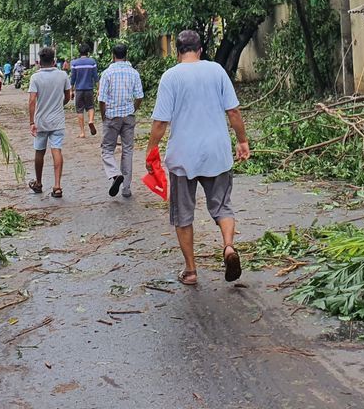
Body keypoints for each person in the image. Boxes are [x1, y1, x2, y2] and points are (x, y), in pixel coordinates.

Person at [147, 29, 250, 286]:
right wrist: (242, 141)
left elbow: (160, 122)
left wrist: (151, 151)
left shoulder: (170, 77)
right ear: (201, 50)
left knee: (183, 215)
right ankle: (228, 247)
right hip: (216, 152)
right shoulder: (216, 71)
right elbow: (234, 112)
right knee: (222, 206)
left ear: (177, 52)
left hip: (183, 156)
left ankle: (191, 271)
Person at [97, 43, 143, 198]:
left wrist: (104, 116)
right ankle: (126, 189)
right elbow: (139, 96)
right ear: (126, 55)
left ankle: (115, 174)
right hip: (128, 116)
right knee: (128, 150)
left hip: (112, 116)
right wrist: (133, 109)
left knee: (107, 150)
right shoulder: (134, 73)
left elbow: (101, 99)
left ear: (113, 55)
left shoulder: (107, 73)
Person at [28, 47, 70, 198]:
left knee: (39, 151)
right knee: (56, 149)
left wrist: (31, 122)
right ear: (54, 61)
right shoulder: (63, 75)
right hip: (57, 120)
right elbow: (68, 96)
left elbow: (32, 100)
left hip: (41, 121)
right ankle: (57, 186)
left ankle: (38, 183)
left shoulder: (35, 78)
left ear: (39, 62)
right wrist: (60, 104)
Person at [69, 42, 99, 138]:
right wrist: (99, 89)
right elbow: (95, 77)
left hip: (79, 90)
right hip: (89, 89)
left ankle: (82, 132)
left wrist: (71, 90)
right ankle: (91, 120)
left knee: (80, 110)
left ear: (79, 52)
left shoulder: (74, 63)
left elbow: (72, 78)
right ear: (88, 52)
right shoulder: (92, 62)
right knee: (90, 107)